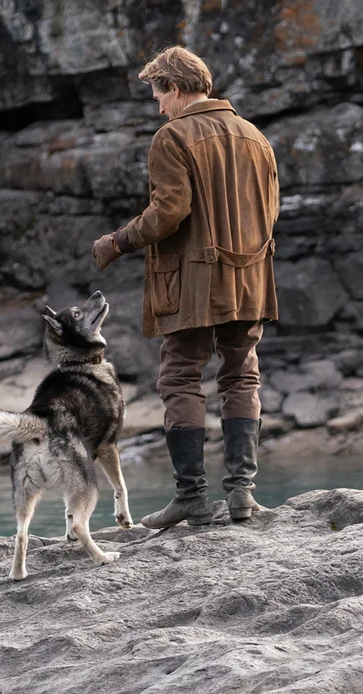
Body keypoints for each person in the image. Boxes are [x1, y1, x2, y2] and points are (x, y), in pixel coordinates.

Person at [92, 46, 279, 529]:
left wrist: (118, 240)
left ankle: (192, 497)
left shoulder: (172, 137)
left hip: (193, 283)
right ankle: (242, 495)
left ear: (175, 88)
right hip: (252, 276)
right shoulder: (255, 136)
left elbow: (169, 213)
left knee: (179, 378)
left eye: (158, 96)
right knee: (242, 375)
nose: (158, 107)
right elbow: (271, 212)